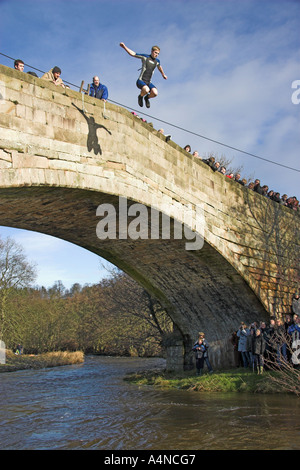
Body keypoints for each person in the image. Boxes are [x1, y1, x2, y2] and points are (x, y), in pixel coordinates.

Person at [119, 42, 167, 108]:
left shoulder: (157, 61)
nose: (156, 55)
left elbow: (159, 67)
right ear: (152, 51)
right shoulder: (145, 57)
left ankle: (146, 98)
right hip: (141, 81)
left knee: (155, 93)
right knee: (146, 90)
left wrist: (163, 74)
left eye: (158, 54)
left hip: (148, 82)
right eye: (155, 53)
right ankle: (140, 96)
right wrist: (124, 47)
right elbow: (133, 54)